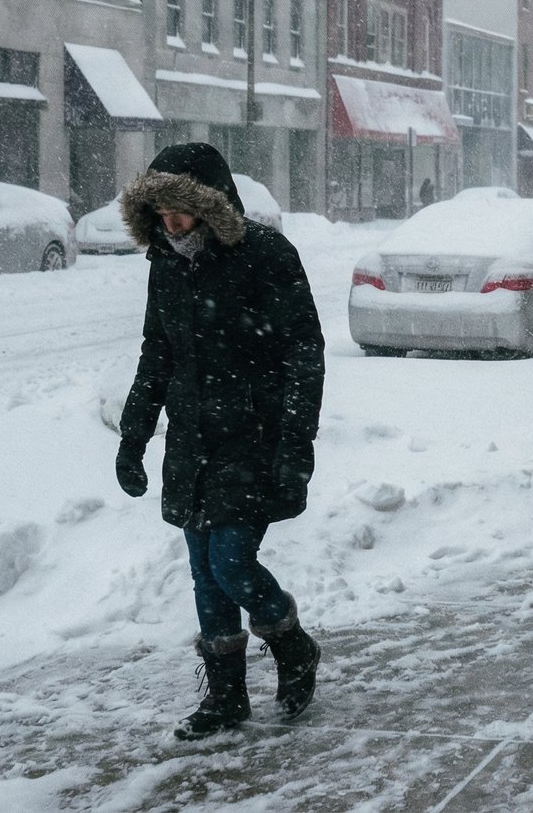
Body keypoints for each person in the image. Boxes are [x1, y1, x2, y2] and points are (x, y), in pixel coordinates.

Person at [114, 143, 326, 739]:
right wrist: (134, 440)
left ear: (211, 204)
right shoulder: (166, 262)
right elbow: (156, 354)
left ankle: (292, 645)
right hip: (191, 440)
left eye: (179, 208)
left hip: (253, 437)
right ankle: (228, 695)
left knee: (231, 563)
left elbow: (304, 357)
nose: (169, 221)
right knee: (204, 574)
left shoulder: (263, 255)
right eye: (159, 210)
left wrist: (294, 448)